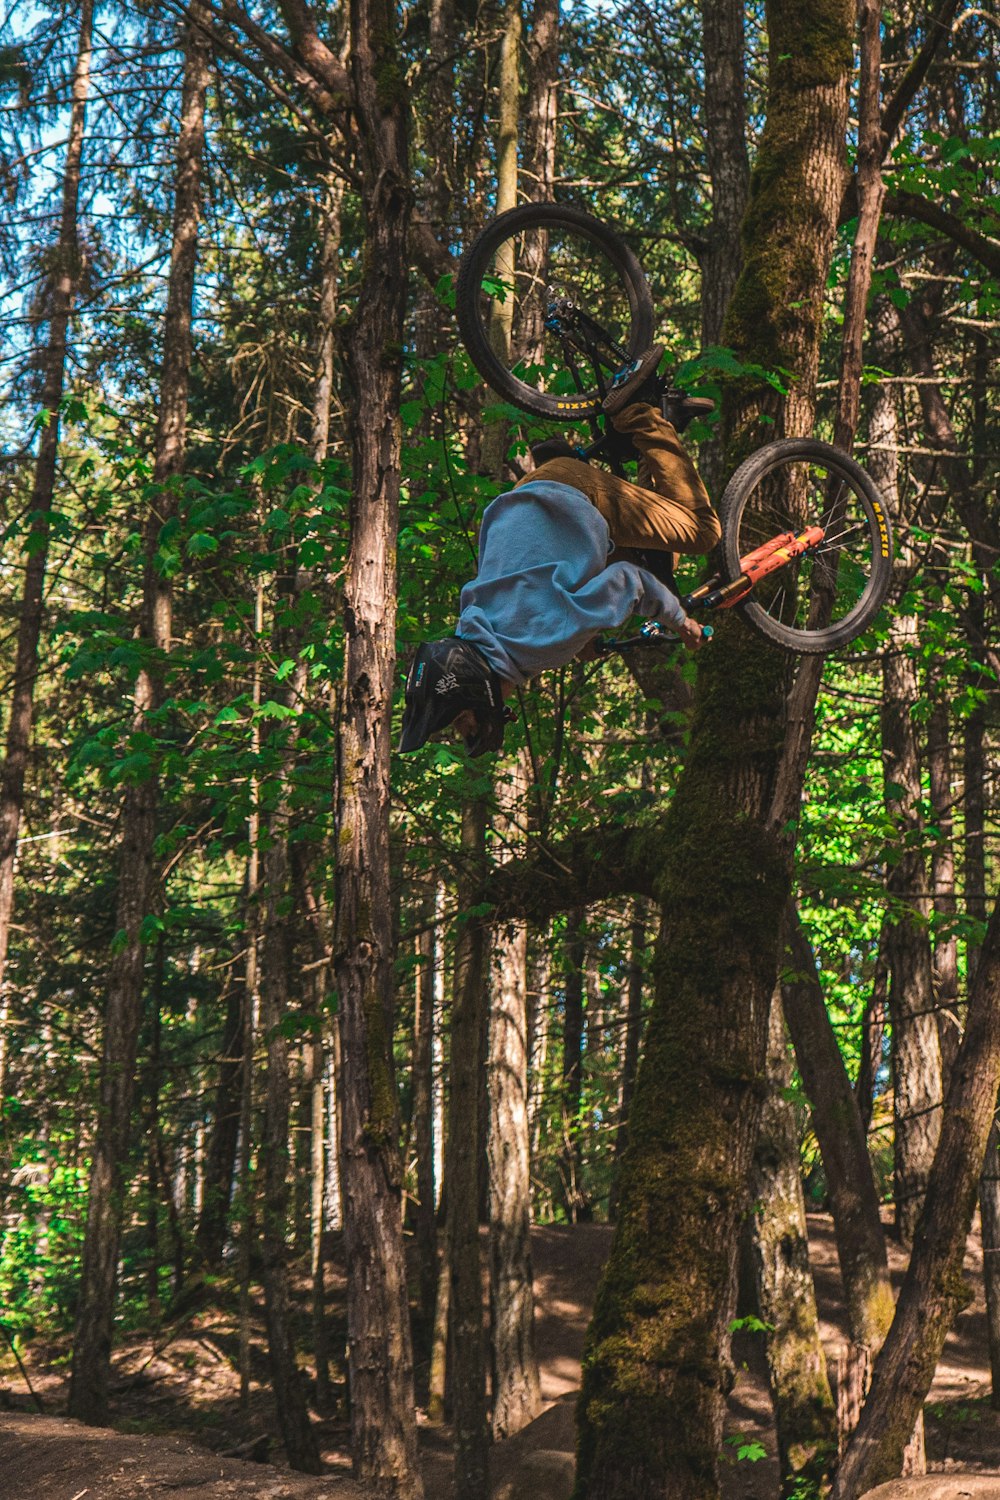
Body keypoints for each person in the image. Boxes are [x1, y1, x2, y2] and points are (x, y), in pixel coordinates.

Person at [399, 346, 721, 757]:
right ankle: (660, 428)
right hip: (537, 495)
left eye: (466, 720)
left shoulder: (540, 645)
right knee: (658, 560)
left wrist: (682, 625)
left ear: (480, 695)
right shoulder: (474, 622)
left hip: (578, 495)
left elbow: (632, 583)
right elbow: (541, 598)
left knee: (700, 533)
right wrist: (584, 638)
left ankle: (640, 415)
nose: (471, 725)